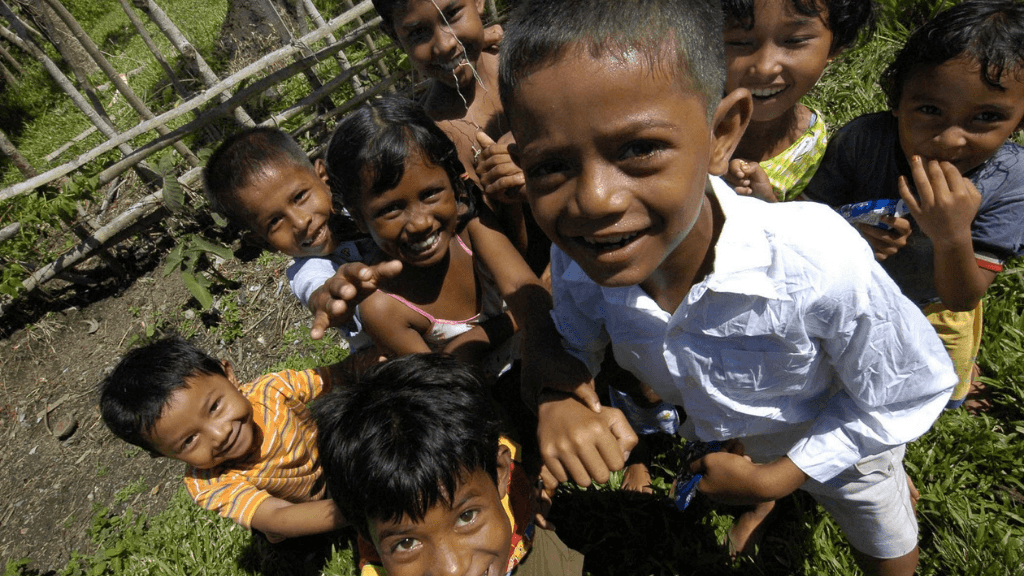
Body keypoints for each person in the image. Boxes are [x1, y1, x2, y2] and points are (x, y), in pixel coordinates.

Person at [496, 1, 957, 574]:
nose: (595, 200)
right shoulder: (581, 263)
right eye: (549, 167)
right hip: (733, 432)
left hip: (842, 437)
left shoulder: (816, 260)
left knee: (882, 539)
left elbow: (902, 392)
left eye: (638, 150)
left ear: (722, 133)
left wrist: (778, 476)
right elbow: (572, 344)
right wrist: (559, 397)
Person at [802, 0, 1024, 409]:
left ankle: (955, 387)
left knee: (935, 387)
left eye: (987, 117)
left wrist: (952, 234)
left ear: (1020, 120)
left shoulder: (1011, 181)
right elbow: (807, 215)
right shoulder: (864, 141)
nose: (951, 139)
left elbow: (962, 297)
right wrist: (848, 236)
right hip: (856, 296)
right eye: (929, 110)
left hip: (936, 309)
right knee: (849, 380)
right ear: (896, 99)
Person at [324, 96, 548, 380]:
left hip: (545, 365)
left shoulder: (470, 226)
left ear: (454, 183)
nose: (419, 223)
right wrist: (510, 322)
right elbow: (447, 385)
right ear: (358, 218)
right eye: (391, 209)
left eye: (430, 194)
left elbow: (526, 293)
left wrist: (465, 349)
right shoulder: (383, 307)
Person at [313, 353, 584, 576]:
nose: (453, 569)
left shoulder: (482, 460)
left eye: (467, 516)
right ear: (367, 535)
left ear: (501, 474)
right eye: (406, 543)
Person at [99, 335, 349, 542]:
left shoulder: (271, 391)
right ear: (162, 454)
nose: (220, 435)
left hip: (336, 464)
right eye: (189, 441)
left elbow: (337, 375)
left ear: (229, 375)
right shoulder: (210, 483)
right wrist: (358, 510)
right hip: (302, 520)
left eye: (214, 407)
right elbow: (279, 517)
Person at [203, 127, 402, 350]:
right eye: (275, 221)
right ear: (262, 242)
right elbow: (315, 286)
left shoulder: (364, 204)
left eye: (299, 197)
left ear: (323, 177)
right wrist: (326, 299)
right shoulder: (308, 269)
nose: (299, 222)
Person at [371, 0, 537, 264]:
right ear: (393, 35)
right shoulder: (434, 140)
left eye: (452, 14)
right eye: (418, 33)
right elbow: (510, 255)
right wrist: (507, 194)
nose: (445, 43)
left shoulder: (530, 60)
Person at [721, 0, 874, 202]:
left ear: (836, 43)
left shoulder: (814, 150)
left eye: (795, 40)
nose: (766, 68)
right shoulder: (680, 125)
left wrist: (766, 206)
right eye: (739, 42)